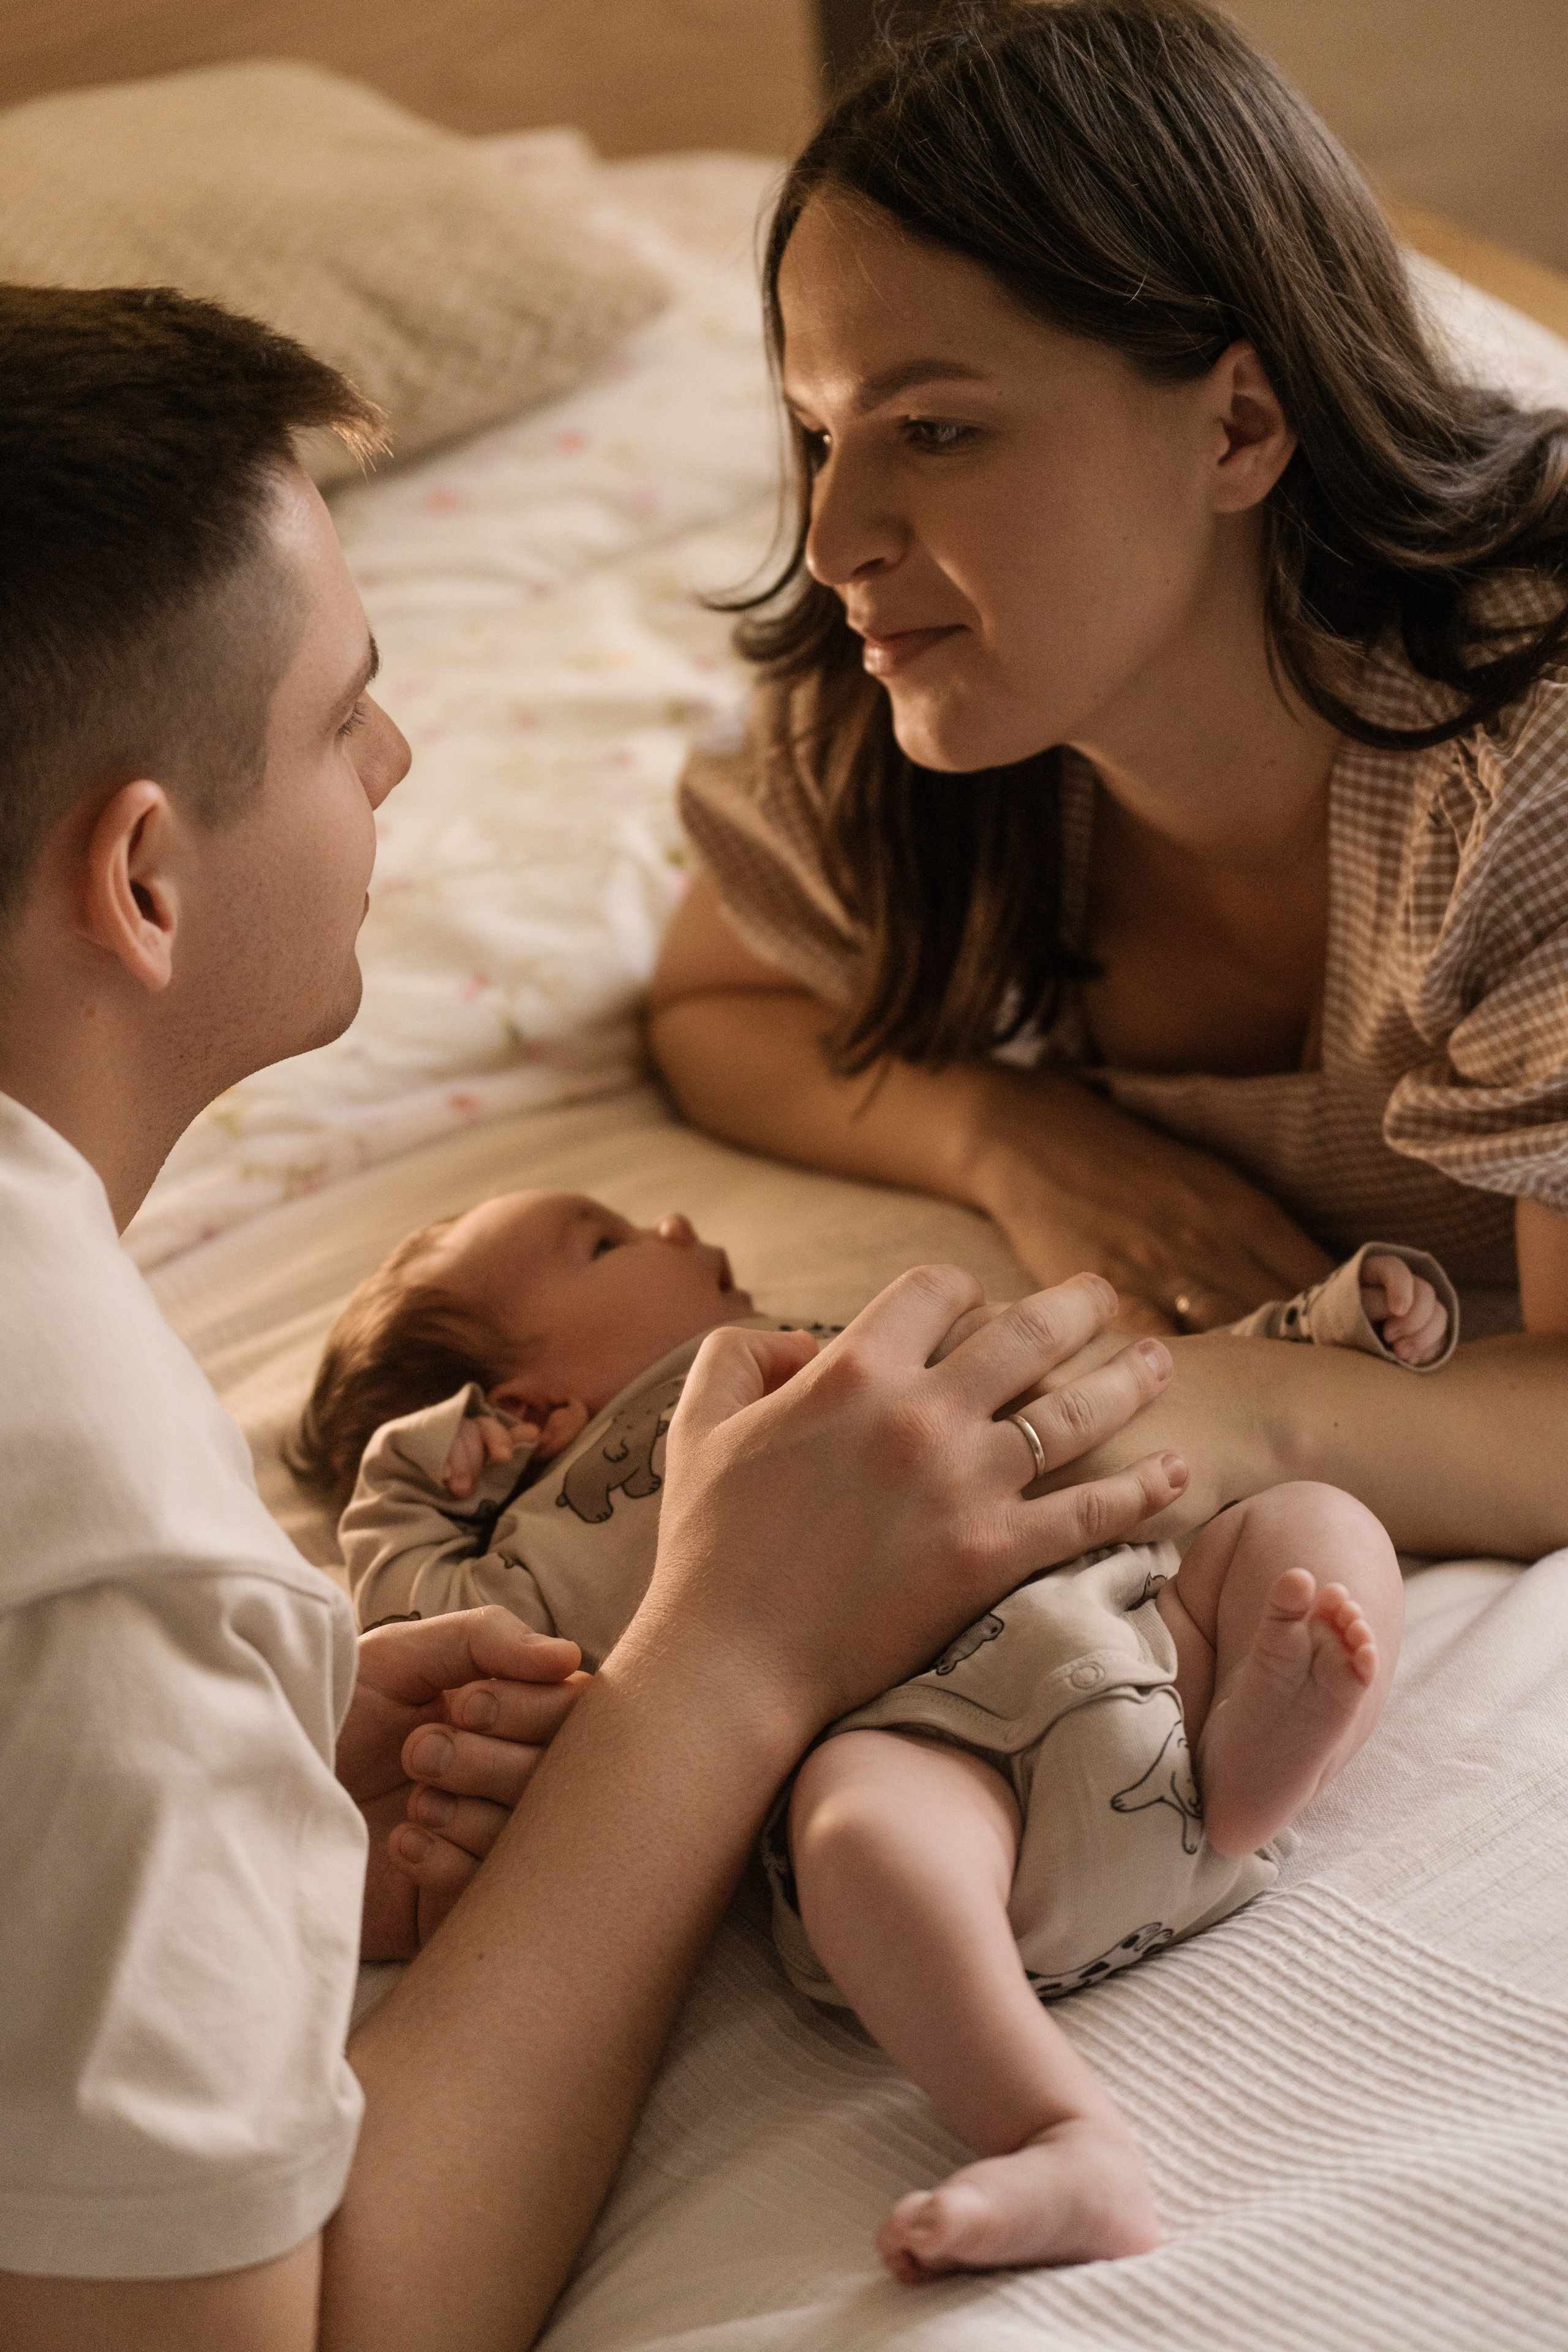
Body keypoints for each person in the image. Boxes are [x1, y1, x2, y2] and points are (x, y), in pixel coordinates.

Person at [0, 284, 1189, 2351]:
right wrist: (720, 1663)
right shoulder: (106, 1545)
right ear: (147, 880)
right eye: (336, 714)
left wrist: (227, 1788)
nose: (397, 751)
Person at [647, 0, 1568, 1563]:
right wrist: (1010, 1142)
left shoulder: (1516, 767)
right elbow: (711, 1004)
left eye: (935, 428)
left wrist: (1213, 1407)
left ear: (1239, 424)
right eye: (817, 433)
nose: (833, 541)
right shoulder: (913, 692)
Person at [293, 1189, 1450, 2272]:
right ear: (529, 1407)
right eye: (604, 1241)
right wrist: (408, 1467)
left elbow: (1124, 1386)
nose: (675, 1219)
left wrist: (1317, 1324)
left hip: (1139, 1634)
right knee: (858, 1836)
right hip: (939, 1754)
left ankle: (1263, 1754)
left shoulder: (862, 1363)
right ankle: (1062, 2131)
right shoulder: (535, 1547)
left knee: (1316, 1526)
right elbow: (419, 1638)